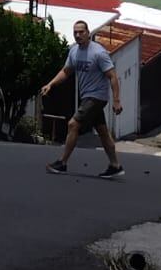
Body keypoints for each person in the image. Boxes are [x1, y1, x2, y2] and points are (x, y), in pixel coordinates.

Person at [40, 20, 124, 178]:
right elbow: (66, 71)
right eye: (75, 32)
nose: (78, 35)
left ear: (88, 33)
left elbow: (112, 76)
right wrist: (51, 84)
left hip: (97, 96)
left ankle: (62, 163)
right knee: (103, 132)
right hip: (87, 96)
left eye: (81, 32)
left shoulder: (99, 53)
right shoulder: (74, 51)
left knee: (73, 124)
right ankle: (115, 165)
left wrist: (116, 100)